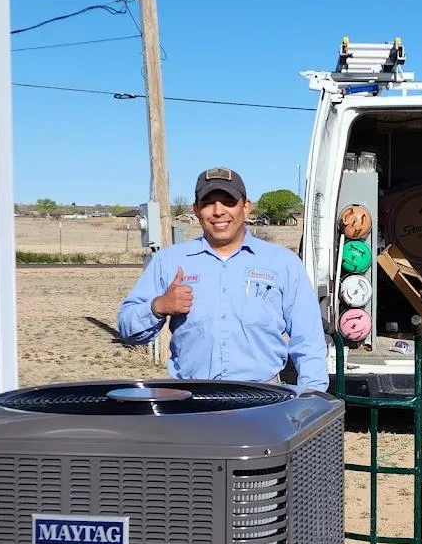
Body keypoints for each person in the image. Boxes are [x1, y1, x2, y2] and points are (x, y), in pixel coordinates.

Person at [117, 167, 329, 392]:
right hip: (191, 401)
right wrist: (159, 306)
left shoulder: (282, 262)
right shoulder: (169, 261)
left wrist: (312, 395)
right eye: (208, 203)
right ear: (196, 210)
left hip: (262, 399)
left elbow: (309, 339)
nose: (218, 211)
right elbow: (127, 328)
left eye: (228, 201)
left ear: (246, 207)